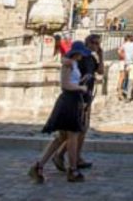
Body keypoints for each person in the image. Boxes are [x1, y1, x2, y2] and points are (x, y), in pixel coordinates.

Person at [29, 41, 92, 183]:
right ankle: (73, 169)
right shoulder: (68, 64)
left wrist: (81, 81)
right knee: (73, 135)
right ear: (77, 53)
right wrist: (81, 88)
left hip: (72, 100)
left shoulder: (73, 63)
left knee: (61, 138)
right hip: (69, 101)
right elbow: (65, 85)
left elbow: (71, 81)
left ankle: (39, 166)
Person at [52, 34, 101, 173]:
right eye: (95, 43)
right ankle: (66, 159)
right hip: (78, 97)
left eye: (98, 43)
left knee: (81, 130)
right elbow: (67, 63)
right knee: (75, 130)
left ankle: (71, 158)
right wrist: (80, 86)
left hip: (87, 95)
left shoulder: (91, 58)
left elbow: (101, 71)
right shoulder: (78, 58)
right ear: (88, 43)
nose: (97, 46)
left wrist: (101, 56)